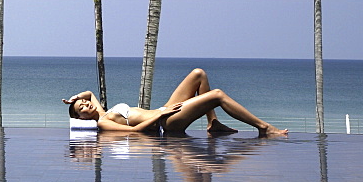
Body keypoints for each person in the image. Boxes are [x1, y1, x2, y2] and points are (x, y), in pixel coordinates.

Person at [63, 68, 288, 137]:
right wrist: (160, 116)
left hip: (163, 111)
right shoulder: (103, 123)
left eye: (83, 103)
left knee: (198, 74)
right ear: (82, 119)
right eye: (81, 109)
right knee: (217, 94)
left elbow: (90, 92)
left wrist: (73, 99)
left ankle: (213, 123)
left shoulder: (102, 111)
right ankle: (264, 128)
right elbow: (135, 132)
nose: (86, 105)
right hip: (165, 122)